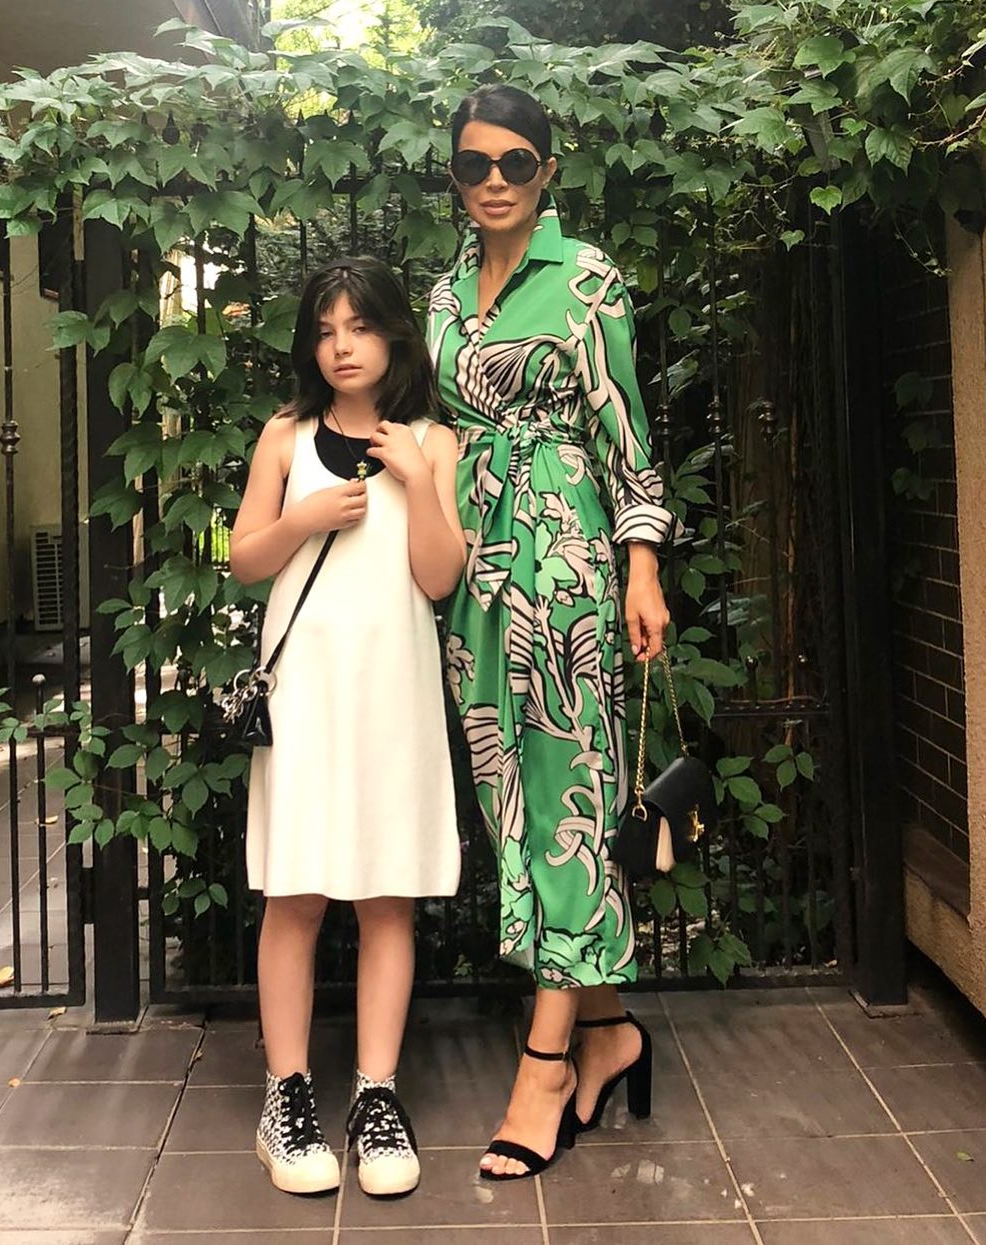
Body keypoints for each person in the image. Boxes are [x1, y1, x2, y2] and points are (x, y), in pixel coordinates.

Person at [426, 84, 674, 1180]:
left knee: (570, 792)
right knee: (509, 797)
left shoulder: (587, 280)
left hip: (566, 559)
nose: (493, 182)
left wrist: (643, 565)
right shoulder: (442, 295)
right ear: (454, 176)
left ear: (548, 172)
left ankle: (545, 1066)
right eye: (473, 164)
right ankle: (610, 1030)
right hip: (475, 572)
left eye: (515, 163)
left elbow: (628, 434)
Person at [230, 256, 466, 1198]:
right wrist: (306, 518)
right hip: (305, 697)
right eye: (326, 331)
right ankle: (285, 1098)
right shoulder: (284, 436)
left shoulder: (431, 442)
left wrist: (416, 477)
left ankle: (376, 1094)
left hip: (393, 695)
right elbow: (246, 558)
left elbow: (440, 577)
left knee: (386, 897)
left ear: (395, 335)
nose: (343, 347)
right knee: (294, 892)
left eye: (360, 327)